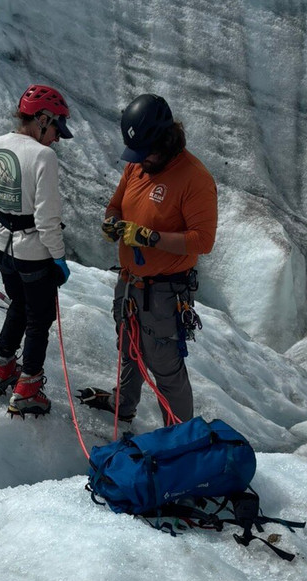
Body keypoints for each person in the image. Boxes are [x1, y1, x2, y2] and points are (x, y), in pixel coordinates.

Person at [82, 93, 217, 428]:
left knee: (165, 365)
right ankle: (123, 404)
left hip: (164, 292)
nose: (141, 160)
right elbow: (115, 206)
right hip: (129, 283)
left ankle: (179, 434)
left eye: (147, 153)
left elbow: (203, 240)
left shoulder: (194, 178)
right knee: (129, 348)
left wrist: (151, 237)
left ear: (167, 140)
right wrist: (112, 223)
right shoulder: (137, 165)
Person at [0, 84, 73, 417]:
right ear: (42, 119)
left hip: (1, 246)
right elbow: (47, 218)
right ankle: (28, 388)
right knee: (39, 318)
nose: (57, 136)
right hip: (33, 252)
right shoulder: (43, 156)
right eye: (56, 127)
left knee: (19, 304)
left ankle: (2, 370)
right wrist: (57, 257)